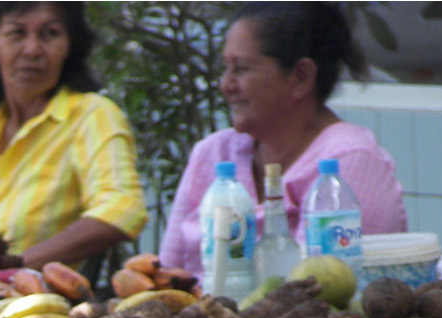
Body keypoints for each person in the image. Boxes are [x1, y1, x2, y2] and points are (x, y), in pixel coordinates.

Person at [160, 2, 407, 277]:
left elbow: (327, 293)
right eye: (226, 68)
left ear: (301, 77)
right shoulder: (214, 154)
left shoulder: (348, 161)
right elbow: (165, 274)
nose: (225, 85)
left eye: (240, 69)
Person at [0, 2, 148, 273]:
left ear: (69, 47)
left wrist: (15, 268)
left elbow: (123, 208)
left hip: (41, 305)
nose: (32, 50)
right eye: (17, 33)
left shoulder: (91, 115)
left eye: (50, 34)